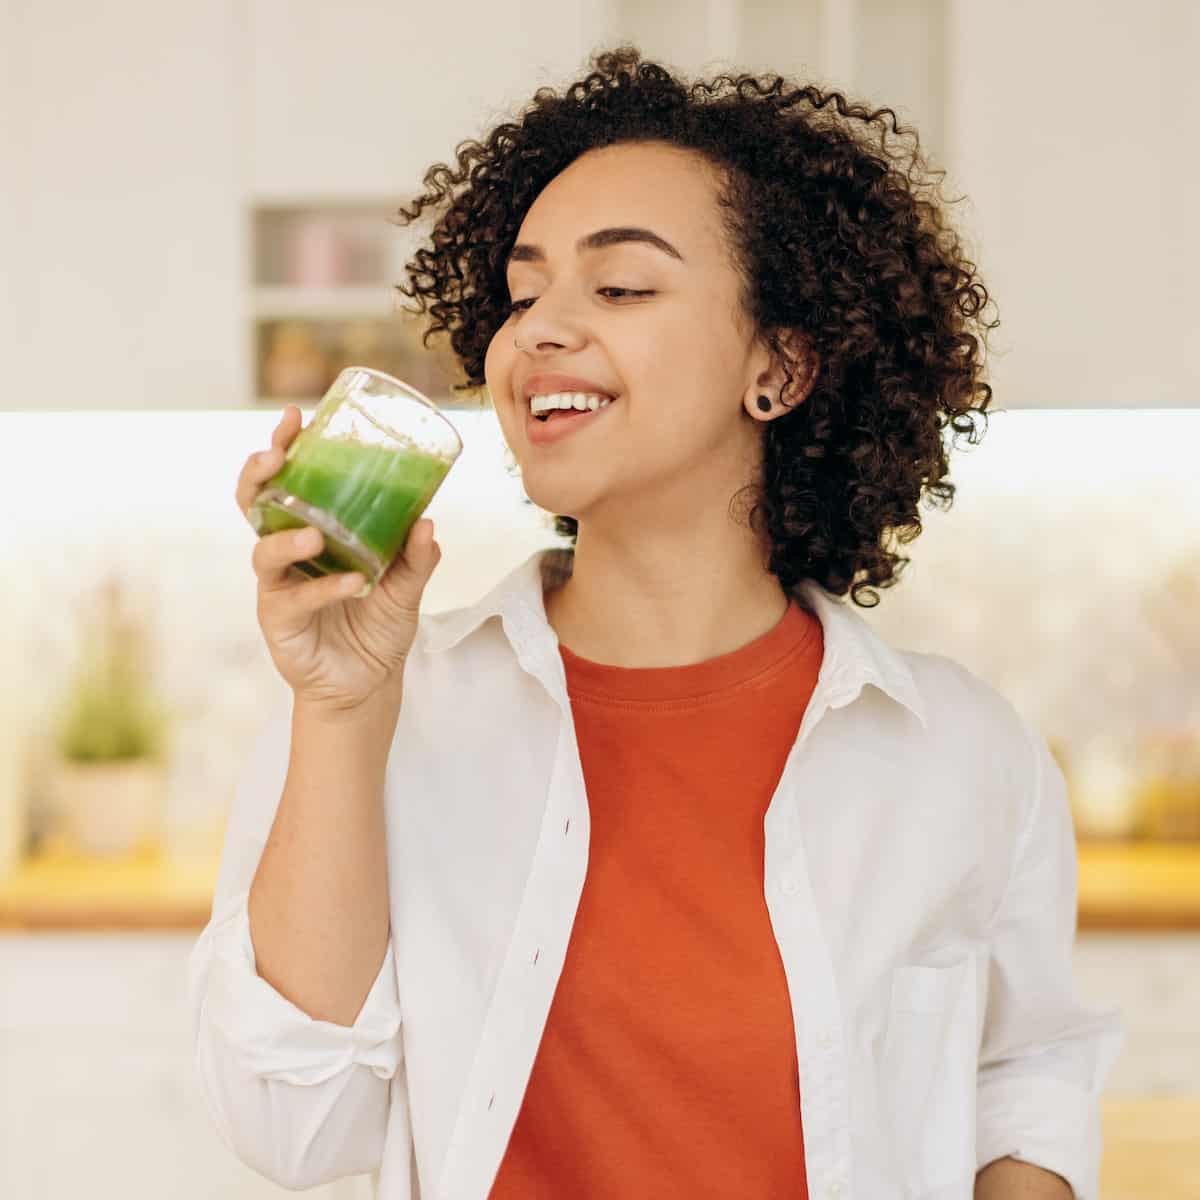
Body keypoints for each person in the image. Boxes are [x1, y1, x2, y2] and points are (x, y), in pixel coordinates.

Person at [189, 46, 1125, 1200]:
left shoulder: (965, 755)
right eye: (523, 293)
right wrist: (338, 709)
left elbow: (1026, 1071)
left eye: (619, 288)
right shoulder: (384, 710)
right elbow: (293, 1129)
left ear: (778, 365)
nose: (538, 331)